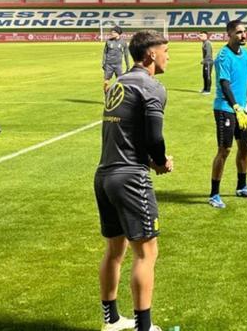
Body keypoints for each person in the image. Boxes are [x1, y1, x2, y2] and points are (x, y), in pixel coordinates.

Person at [94, 30, 172, 331]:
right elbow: (154, 136)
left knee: (115, 251)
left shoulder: (119, 84)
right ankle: (144, 327)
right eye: (165, 50)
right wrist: (161, 161)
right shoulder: (152, 87)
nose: (168, 56)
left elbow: (125, 134)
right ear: (150, 54)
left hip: (104, 174)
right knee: (147, 252)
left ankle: (111, 320)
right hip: (130, 178)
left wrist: (151, 159)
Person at [209, 20, 247, 208]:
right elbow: (224, 83)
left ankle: (242, 186)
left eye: (245, 32)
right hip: (225, 109)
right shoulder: (223, 56)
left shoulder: (246, 54)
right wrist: (236, 107)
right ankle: (214, 194)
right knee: (225, 150)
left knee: (245, 146)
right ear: (229, 34)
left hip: (243, 111)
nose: (243, 35)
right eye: (239, 32)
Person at [102, 26, 131, 93]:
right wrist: (103, 63)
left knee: (120, 82)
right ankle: (106, 95)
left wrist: (128, 65)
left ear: (118, 33)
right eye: (111, 31)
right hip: (109, 65)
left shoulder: (123, 42)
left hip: (118, 65)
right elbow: (105, 53)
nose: (112, 33)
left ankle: (117, 96)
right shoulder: (108, 41)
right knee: (106, 82)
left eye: (114, 32)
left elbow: (126, 54)